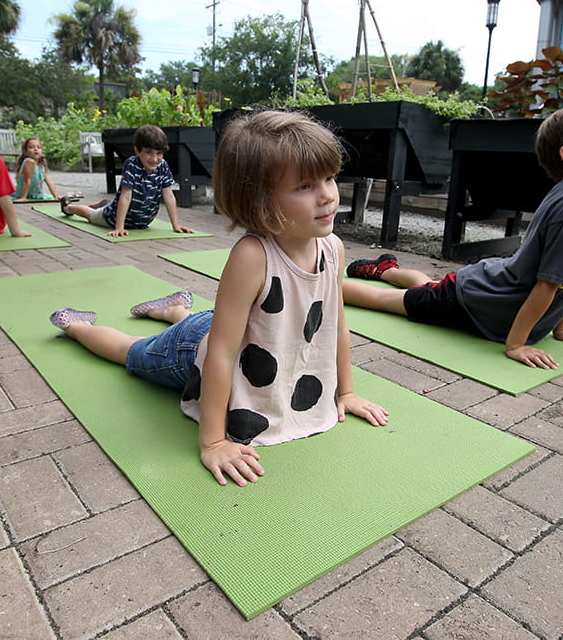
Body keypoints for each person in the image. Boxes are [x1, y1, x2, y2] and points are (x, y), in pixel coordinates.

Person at [49, 110, 389, 487]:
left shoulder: (333, 247)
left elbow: (337, 325)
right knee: (133, 352)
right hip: (195, 349)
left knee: (213, 323)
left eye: (329, 178)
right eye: (304, 186)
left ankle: (172, 309)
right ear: (259, 199)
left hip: (246, 329)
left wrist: (348, 391)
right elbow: (221, 353)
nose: (327, 195)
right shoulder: (253, 255)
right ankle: (76, 325)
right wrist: (212, 441)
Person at [343, 104, 563, 370]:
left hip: (488, 296)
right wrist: (516, 344)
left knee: (429, 288)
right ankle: (321, 287)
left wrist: (561, 328)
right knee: (389, 301)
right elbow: (547, 284)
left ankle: (386, 269)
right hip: (475, 300)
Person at [58, 124, 194, 236]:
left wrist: (176, 225)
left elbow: (168, 195)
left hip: (141, 222)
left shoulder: (162, 165)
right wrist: (119, 227)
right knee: (91, 215)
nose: (154, 159)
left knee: (100, 209)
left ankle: (106, 204)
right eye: (148, 152)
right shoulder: (132, 164)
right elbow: (126, 195)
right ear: (137, 150)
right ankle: (68, 207)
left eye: (158, 153)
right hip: (112, 218)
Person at [13, 137, 60, 201]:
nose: (36, 149)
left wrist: (56, 196)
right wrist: (23, 197)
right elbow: (27, 181)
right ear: (25, 152)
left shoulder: (41, 166)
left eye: (39, 147)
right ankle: (24, 196)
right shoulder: (29, 161)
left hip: (36, 196)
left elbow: (49, 182)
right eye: (31, 147)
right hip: (24, 194)